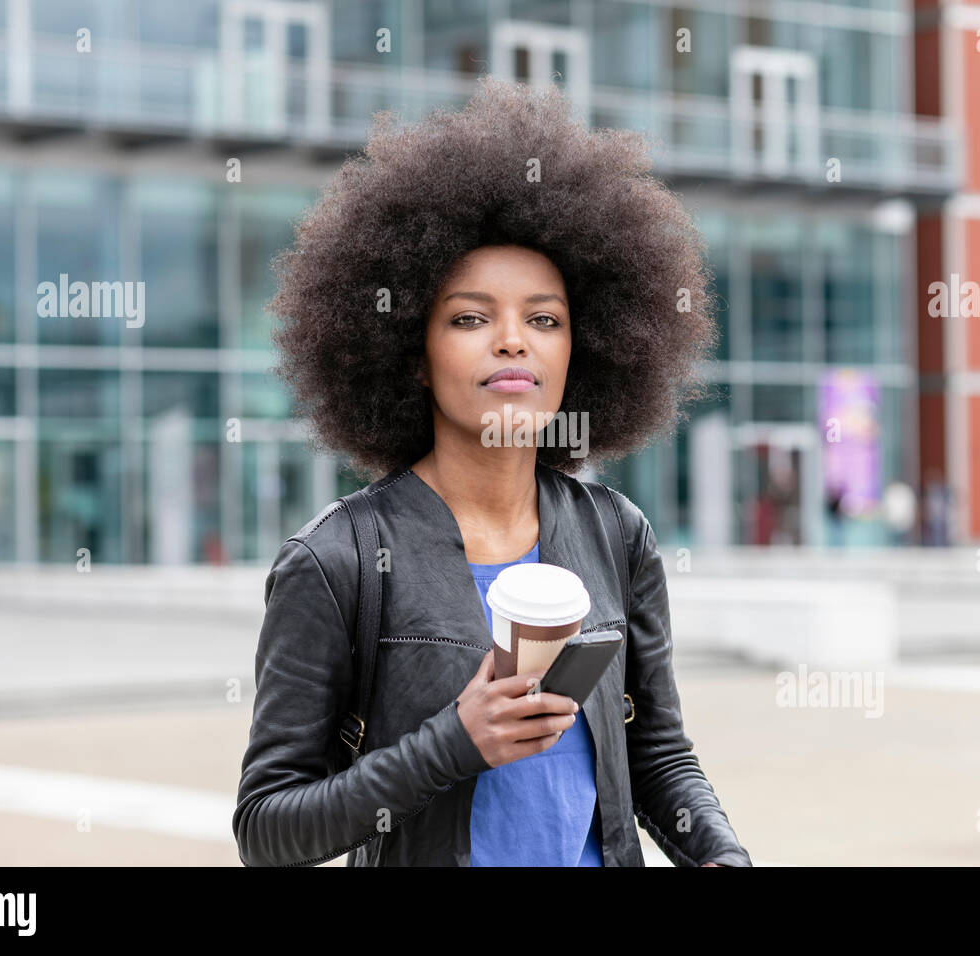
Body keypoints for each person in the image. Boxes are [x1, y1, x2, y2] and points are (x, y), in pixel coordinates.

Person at [232, 76, 752, 867]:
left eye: (544, 319)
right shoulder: (337, 562)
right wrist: (452, 742)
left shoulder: (617, 536)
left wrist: (720, 852)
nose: (514, 342)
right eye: (471, 318)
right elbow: (269, 830)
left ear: (585, 349)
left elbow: (657, 758)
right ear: (412, 354)